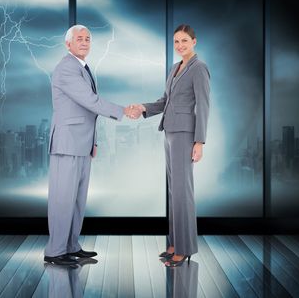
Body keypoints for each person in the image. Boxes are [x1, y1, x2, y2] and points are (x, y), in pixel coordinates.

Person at [45, 25, 139, 266]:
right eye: (79, 39)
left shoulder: (82, 68)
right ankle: (55, 251)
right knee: (63, 199)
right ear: (68, 44)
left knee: (77, 200)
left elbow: (87, 111)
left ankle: (71, 246)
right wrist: (122, 111)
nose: (85, 42)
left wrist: (93, 141)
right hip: (67, 143)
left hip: (82, 143)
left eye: (88, 38)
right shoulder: (67, 68)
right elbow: (90, 101)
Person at [128, 24, 210, 267]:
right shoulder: (175, 68)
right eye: (176, 42)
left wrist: (200, 141)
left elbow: (204, 106)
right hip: (170, 132)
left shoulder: (199, 68)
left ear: (194, 41)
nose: (180, 46)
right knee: (174, 192)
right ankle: (175, 242)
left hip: (186, 134)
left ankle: (184, 249)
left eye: (184, 41)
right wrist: (143, 107)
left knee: (183, 192)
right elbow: (165, 101)